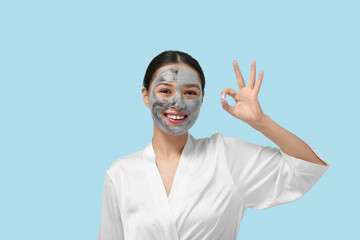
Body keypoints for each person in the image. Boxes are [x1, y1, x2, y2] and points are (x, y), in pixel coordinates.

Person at [98, 50, 331, 240]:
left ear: (202, 99)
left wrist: (261, 122)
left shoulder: (227, 157)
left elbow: (307, 167)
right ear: (146, 95)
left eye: (190, 92)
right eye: (165, 91)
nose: (177, 102)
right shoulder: (120, 174)